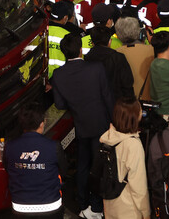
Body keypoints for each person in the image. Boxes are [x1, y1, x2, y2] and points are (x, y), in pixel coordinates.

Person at [51, 34, 113, 219]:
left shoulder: (58, 75)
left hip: (81, 126)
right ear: (81, 49)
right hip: (101, 125)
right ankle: (96, 208)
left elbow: (60, 105)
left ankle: (83, 204)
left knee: (83, 166)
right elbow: (107, 98)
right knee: (99, 168)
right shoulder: (96, 68)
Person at [5, 104, 66, 218]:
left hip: (20, 208)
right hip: (51, 207)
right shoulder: (54, 146)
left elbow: (7, 168)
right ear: (42, 124)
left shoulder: (9, 146)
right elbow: (63, 171)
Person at [100, 97, 149, 219]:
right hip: (128, 208)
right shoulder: (133, 145)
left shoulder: (108, 136)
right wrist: (146, 212)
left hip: (110, 204)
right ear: (134, 117)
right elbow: (139, 186)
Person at [84, 26, 135, 100]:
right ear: (110, 41)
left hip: (94, 102)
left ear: (92, 42)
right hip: (116, 102)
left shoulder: (87, 58)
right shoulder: (118, 57)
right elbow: (127, 82)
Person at [114, 17, 154, 100]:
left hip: (125, 104)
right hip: (148, 101)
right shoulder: (152, 50)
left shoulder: (115, 54)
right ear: (138, 31)